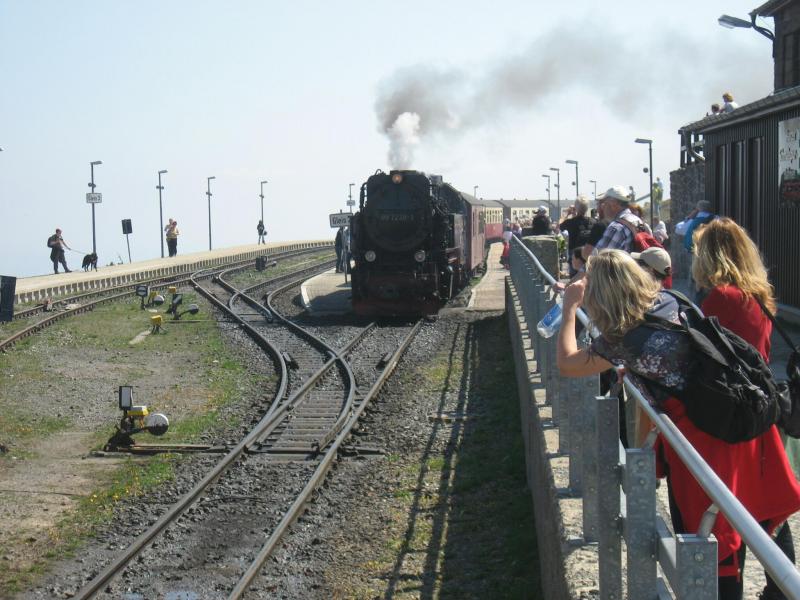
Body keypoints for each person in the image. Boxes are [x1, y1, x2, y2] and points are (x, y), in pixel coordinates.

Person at [557, 249, 800, 599]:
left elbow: (567, 363)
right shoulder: (671, 300)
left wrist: (569, 308)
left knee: (712, 540)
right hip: (739, 415)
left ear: (601, 296)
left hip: (707, 441)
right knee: (754, 515)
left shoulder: (624, 340)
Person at [592, 186, 644, 254]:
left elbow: (598, 257)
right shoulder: (637, 220)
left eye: (605, 203)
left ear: (613, 204)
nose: (603, 207)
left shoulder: (616, 227)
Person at [559, 196, 596, 276]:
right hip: (590, 254)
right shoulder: (594, 222)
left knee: (575, 278)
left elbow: (559, 226)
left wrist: (566, 214)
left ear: (576, 208)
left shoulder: (571, 222)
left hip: (575, 256)